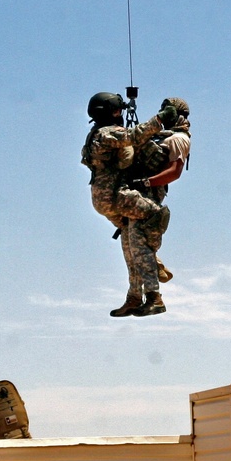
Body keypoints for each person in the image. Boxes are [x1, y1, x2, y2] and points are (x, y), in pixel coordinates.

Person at [80, 92, 179, 316]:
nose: (120, 114)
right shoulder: (108, 133)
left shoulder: (94, 135)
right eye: (117, 110)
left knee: (130, 241)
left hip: (102, 200)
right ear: (107, 113)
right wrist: (160, 118)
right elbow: (134, 136)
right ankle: (154, 292)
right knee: (156, 214)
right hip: (117, 197)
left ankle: (134, 297)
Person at [109, 97, 192, 316]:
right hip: (136, 194)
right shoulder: (162, 136)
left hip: (148, 198)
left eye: (169, 112)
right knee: (129, 249)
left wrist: (146, 182)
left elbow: (175, 172)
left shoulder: (178, 138)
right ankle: (134, 297)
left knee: (139, 248)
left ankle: (154, 298)